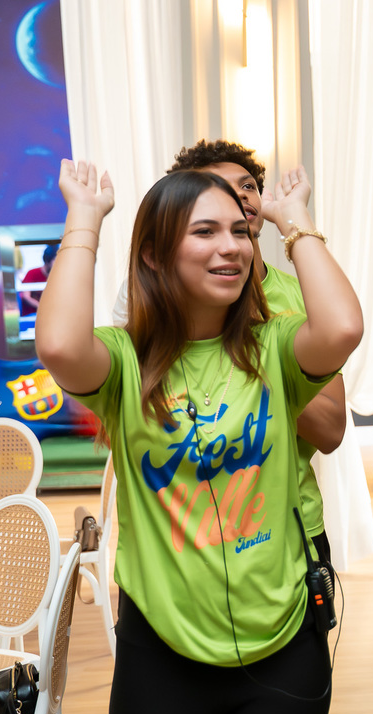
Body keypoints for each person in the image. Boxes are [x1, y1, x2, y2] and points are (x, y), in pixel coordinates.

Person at [37, 160, 363, 714]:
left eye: (239, 231)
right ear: (155, 254)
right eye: (205, 231)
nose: (231, 247)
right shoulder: (125, 361)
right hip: (161, 655)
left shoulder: (275, 347)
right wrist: (84, 219)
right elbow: (59, 344)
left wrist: (294, 219)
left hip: (284, 644)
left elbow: (341, 328)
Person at [112, 140, 349, 566]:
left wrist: (264, 354)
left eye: (248, 186)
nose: (240, 196)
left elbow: (331, 432)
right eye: (220, 189)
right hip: (179, 541)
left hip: (289, 529)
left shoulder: (303, 298)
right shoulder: (150, 304)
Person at [19, 243, 57, 315]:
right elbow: (25, 296)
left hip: (51, 314)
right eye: (55, 260)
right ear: (47, 260)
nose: (58, 263)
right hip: (32, 315)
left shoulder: (58, 275)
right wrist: (41, 308)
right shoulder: (32, 273)